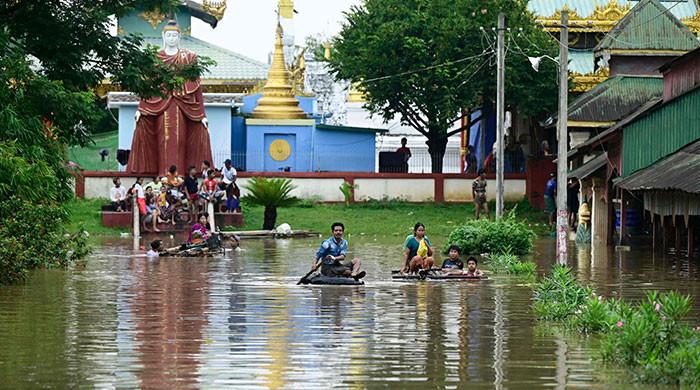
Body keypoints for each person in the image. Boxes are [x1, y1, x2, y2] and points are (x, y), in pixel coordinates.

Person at [127, 19, 213, 175]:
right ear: (163, 36)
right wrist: (141, 108)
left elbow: (196, 89)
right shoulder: (155, 58)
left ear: (179, 37)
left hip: (182, 106)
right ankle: (162, 174)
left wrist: (202, 115)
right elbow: (148, 87)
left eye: (174, 35)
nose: (172, 38)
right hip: (161, 104)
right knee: (163, 139)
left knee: (180, 140)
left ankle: (179, 174)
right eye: (169, 35)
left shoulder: (188, 58)